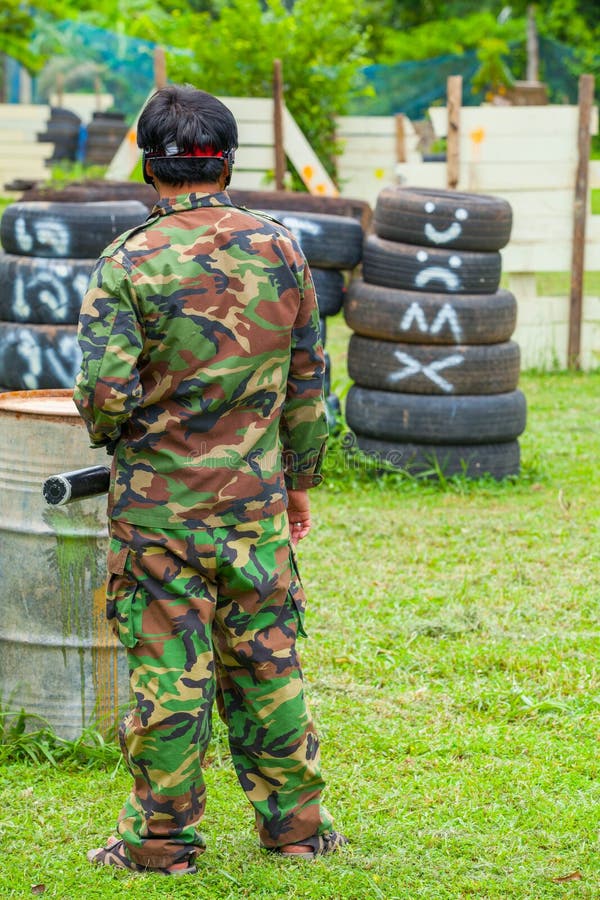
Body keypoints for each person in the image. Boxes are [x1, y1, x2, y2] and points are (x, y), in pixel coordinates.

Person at [73, 84, 347, 876]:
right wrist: (297, 481)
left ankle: (160, 845)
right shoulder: (281, 249)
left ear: (147, 164)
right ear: (226, 161)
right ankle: (297, 832)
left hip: (157, 517)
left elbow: (102, 397)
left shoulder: (127, 262)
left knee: (169, 672)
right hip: (256, 508)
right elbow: (309, 381)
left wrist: (129, 440)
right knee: (268, 663)